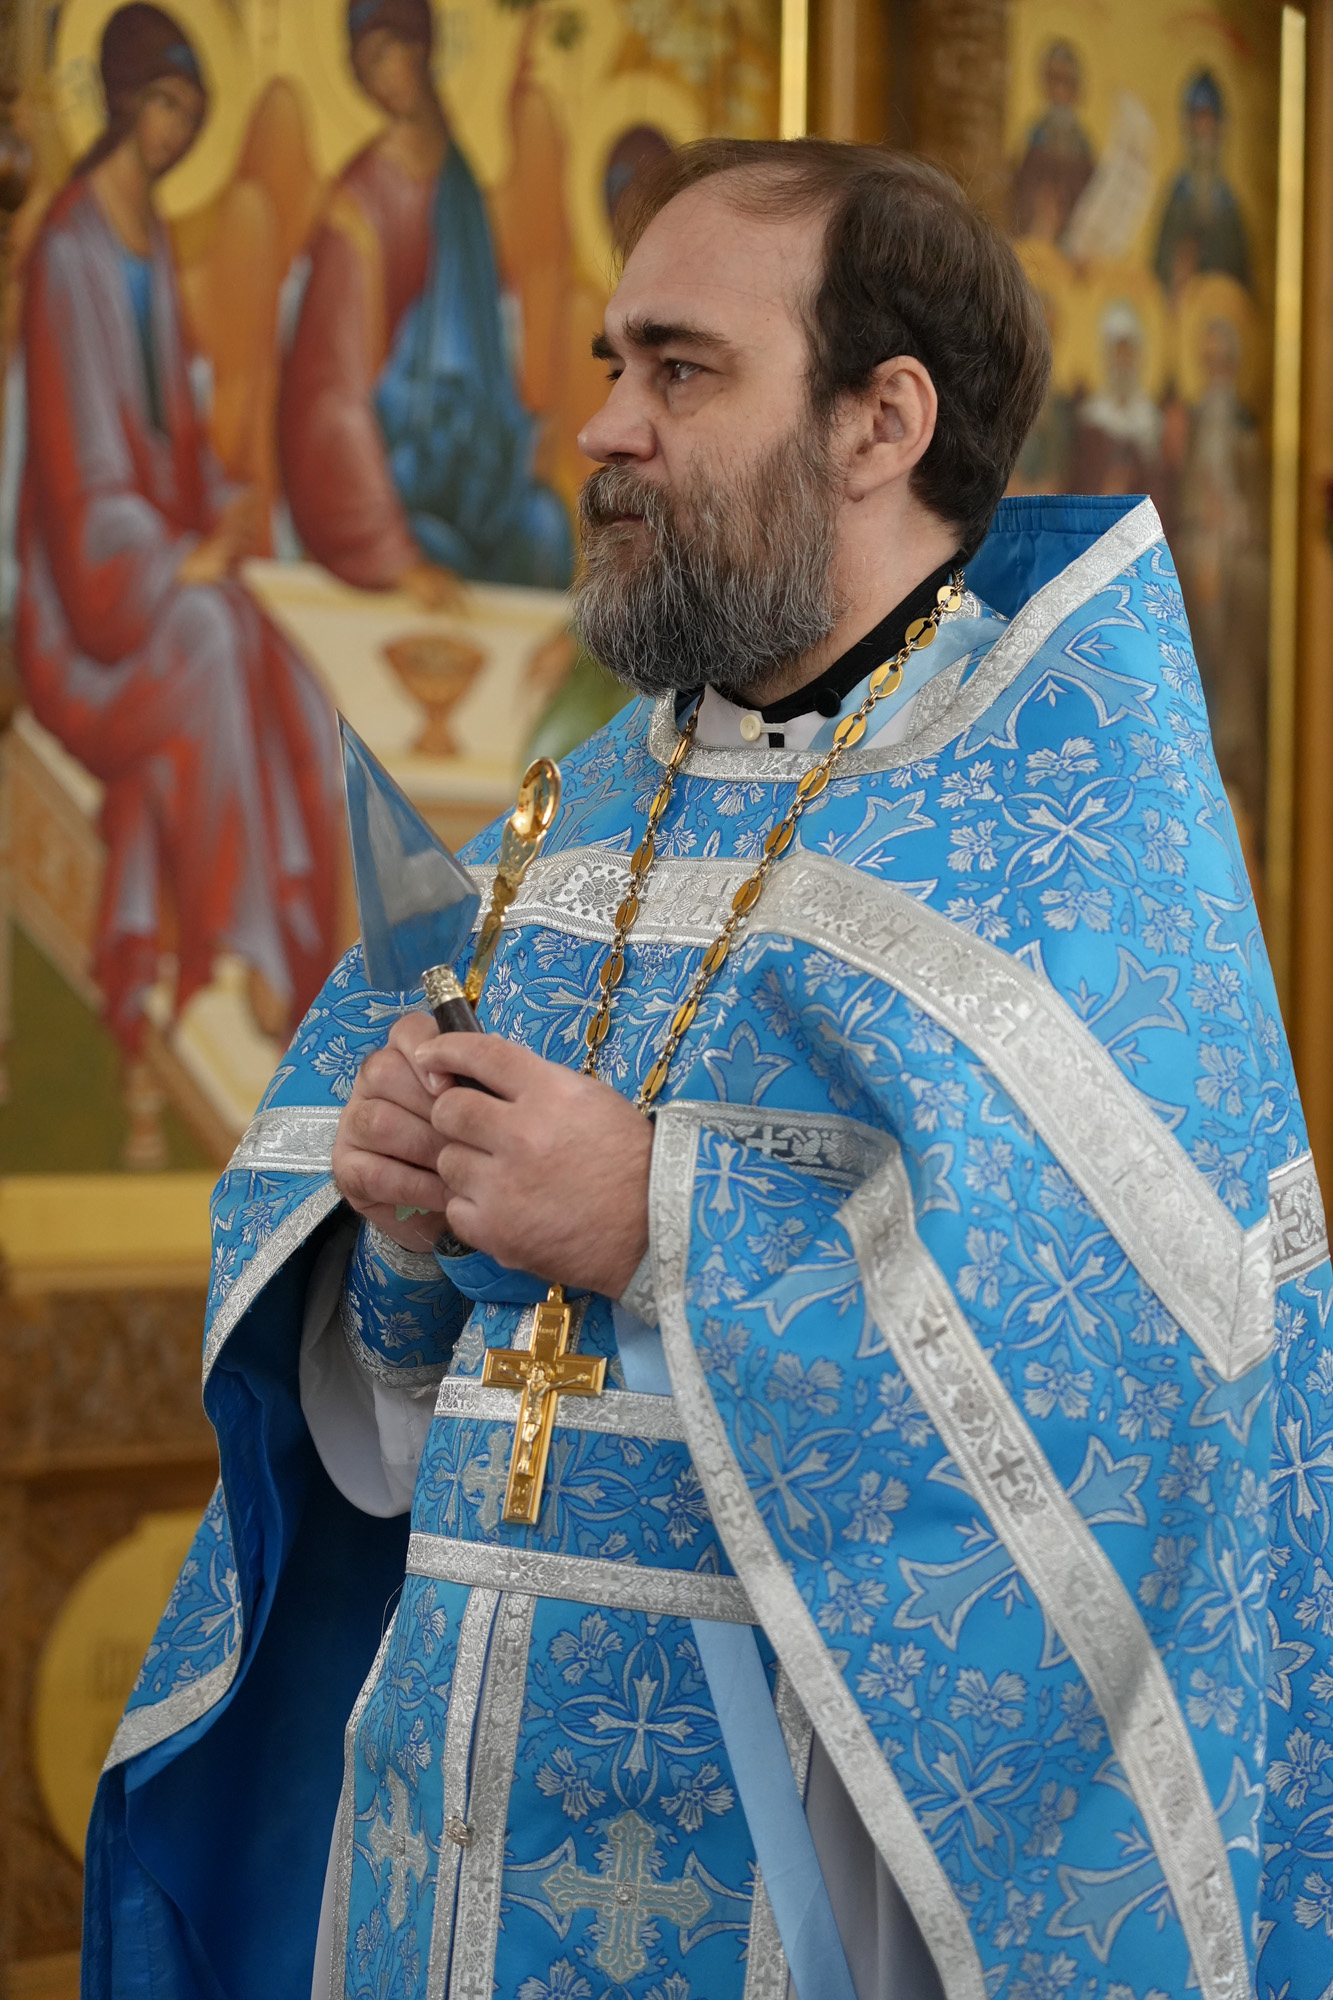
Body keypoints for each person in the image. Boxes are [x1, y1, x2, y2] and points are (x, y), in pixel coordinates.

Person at [85, 140, 1329, 2000]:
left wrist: (659, 1217)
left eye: (679, 369)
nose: (604, 427)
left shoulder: (1066, 848)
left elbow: (1138, 1403)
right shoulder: (571, 820)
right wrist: (401, 1221)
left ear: (880, 421)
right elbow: (395, 1425)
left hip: (805, 1851)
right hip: (440, 1833)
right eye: (612, 364)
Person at [16, 4, 341, 1055]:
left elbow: (172, 433)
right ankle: (243, 942)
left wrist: (219, 504)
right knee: (208, 637)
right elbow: (79, 474)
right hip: (85, 611)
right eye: (162, 104)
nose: (173, 132)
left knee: (292, 681)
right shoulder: (69, 246)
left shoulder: (146, 233)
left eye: (189, 115)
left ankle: (301, 951)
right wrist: (167, 559)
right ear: (118, 98)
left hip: (151, 568)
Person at [277, 0, 572, 603]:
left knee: (545, 531)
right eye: (365, 67)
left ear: (422, 47)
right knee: (443, 559)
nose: (379, 80)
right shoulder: (358, 207)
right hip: (391, 488)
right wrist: (391, 552)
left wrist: (520, 440)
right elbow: (328, 393)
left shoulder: (461, 184)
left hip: (472, 477)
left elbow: (487, 360)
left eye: (387, 53)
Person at [1153, 69, 1251, 296]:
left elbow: (1242, 277)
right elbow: (1158, 267)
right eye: (1197, 120)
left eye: (1208, 120)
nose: (1203, 129)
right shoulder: (1177, 194)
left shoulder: (1228, 203)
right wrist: (1175, 270)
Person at [1010, 39, 1095, 245]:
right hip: (1037, 235)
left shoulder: (1083, 144)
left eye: (1066, 81)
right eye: (1053, 80)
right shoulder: (1036, 134)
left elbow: (1090, 197)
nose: (1058, 89)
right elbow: (1023, 185)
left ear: (1076, 87)